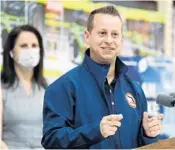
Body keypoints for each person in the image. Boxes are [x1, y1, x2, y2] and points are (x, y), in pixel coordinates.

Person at [41, 6, 163, 149]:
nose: (109, 40)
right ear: (87, 36)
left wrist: (148, 135)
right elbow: (51, 140)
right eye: (102, 33)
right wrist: (96, 131)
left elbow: (143, 145)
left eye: (115, 34)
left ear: (121, 40)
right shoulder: (64, 87)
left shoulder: (135, 90)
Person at [0, 25, 47, 149]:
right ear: (11, 52)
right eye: (23, 46)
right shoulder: (2, 88)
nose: (30, 50)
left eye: (34, 46)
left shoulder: (47, 89)